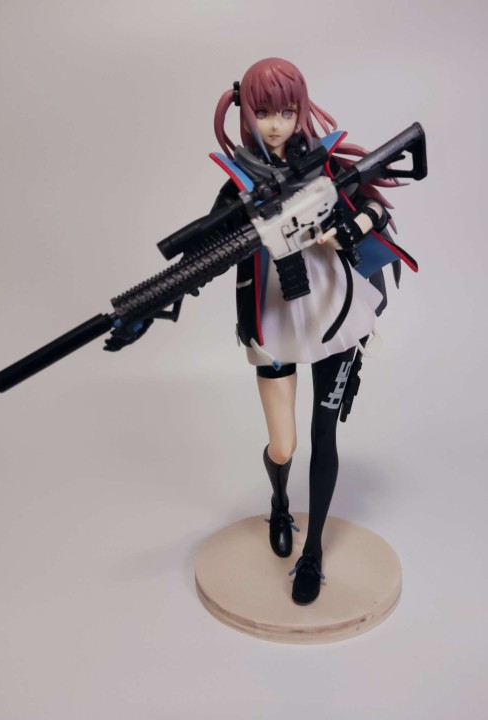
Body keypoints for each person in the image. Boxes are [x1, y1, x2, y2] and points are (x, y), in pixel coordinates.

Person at [212, 58, 399, 605]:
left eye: (286, 112)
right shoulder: (238, 183)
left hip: (331, 310)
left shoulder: (324, 166)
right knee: (284, 443)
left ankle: (312, 550)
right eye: (263, 112)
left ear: (300, 112)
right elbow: (208, 249)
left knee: (323, 436)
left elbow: (375, 208)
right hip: (274, 317)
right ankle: (278, 504)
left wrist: (348, 228)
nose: (275, 125)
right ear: (247, 113)